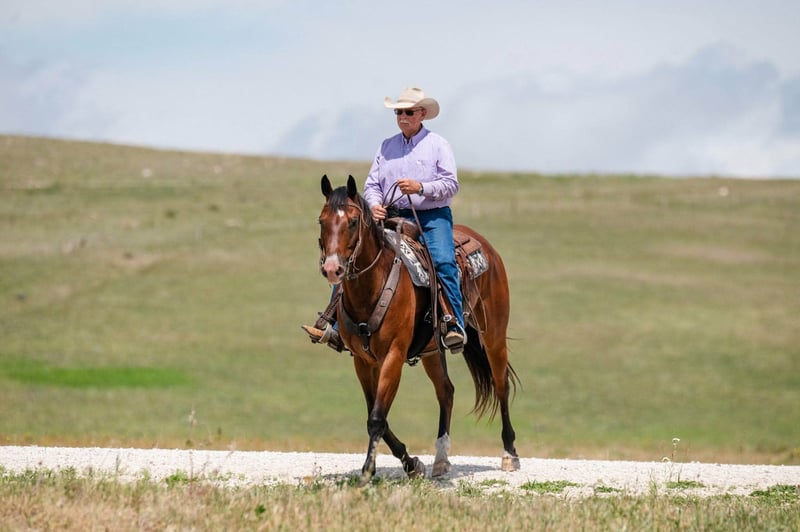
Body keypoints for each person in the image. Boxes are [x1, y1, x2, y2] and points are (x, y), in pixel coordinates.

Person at [303, 87, 466, 353]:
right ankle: (333, 324)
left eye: (408, 112)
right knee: (354, 256)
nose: (403, 117)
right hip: (391, 215)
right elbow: (372, 185)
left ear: (422, 114)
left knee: (443, 262)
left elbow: (450, 184)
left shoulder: (438, 145)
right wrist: (375, 205)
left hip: (431, 216)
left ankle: (453, 323)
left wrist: (421, 187)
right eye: (399, 112)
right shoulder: (386, 146)